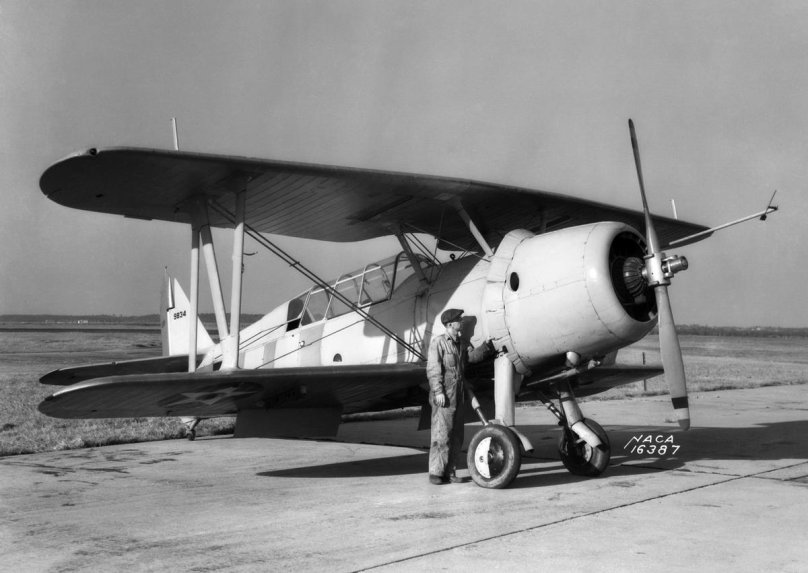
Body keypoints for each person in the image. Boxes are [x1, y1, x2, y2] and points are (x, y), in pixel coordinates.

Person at [426, 308, 494, 484]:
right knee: (442, 434)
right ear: (450, 324)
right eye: (458, 320)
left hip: (458, 393)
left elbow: (470, 359)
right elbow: (433, 369)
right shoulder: (439, 343)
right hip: (444, 394)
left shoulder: (460, 344)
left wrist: (487, 347)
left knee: (457, 436)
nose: (461, 322)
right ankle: (436, 473)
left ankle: (450, 472)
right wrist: (438, 391)